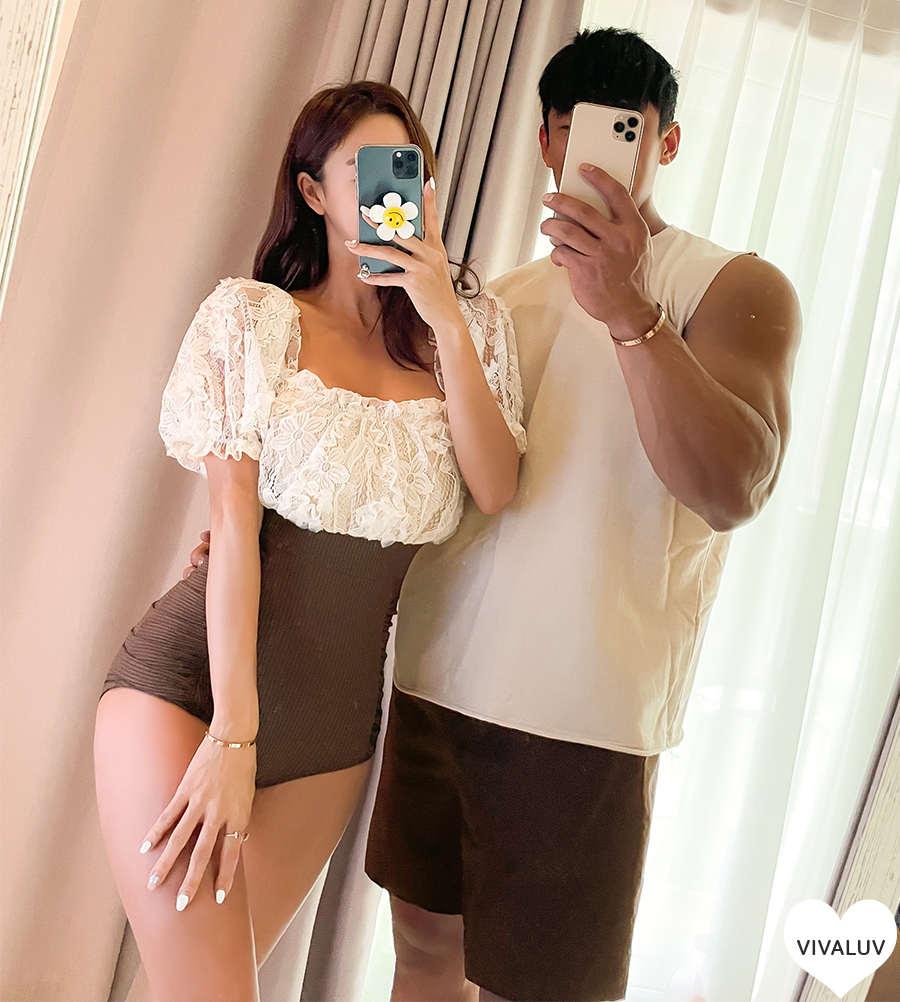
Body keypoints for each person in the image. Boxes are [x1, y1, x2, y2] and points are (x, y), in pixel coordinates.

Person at [359, 27, 803, 1002]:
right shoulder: (496, 297)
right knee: (422, 960)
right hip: (437, 674)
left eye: (621, 129)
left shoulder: (731, 285)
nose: (590, 150)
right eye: (569, 128)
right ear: (546, 143)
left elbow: (735, 486)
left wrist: (629, 311)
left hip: (583, 714)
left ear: (665, 144)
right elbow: (432, 479)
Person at [93, 81, 526, 1002]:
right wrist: (234, 736)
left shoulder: (473, 331)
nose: (385, 191)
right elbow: (231, 527)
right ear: (315, 192)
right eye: (360, 171)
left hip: (331, 734)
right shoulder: (253, 320)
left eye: (405, 169)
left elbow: (496, 486)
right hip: (192, 695)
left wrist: (444, 317)